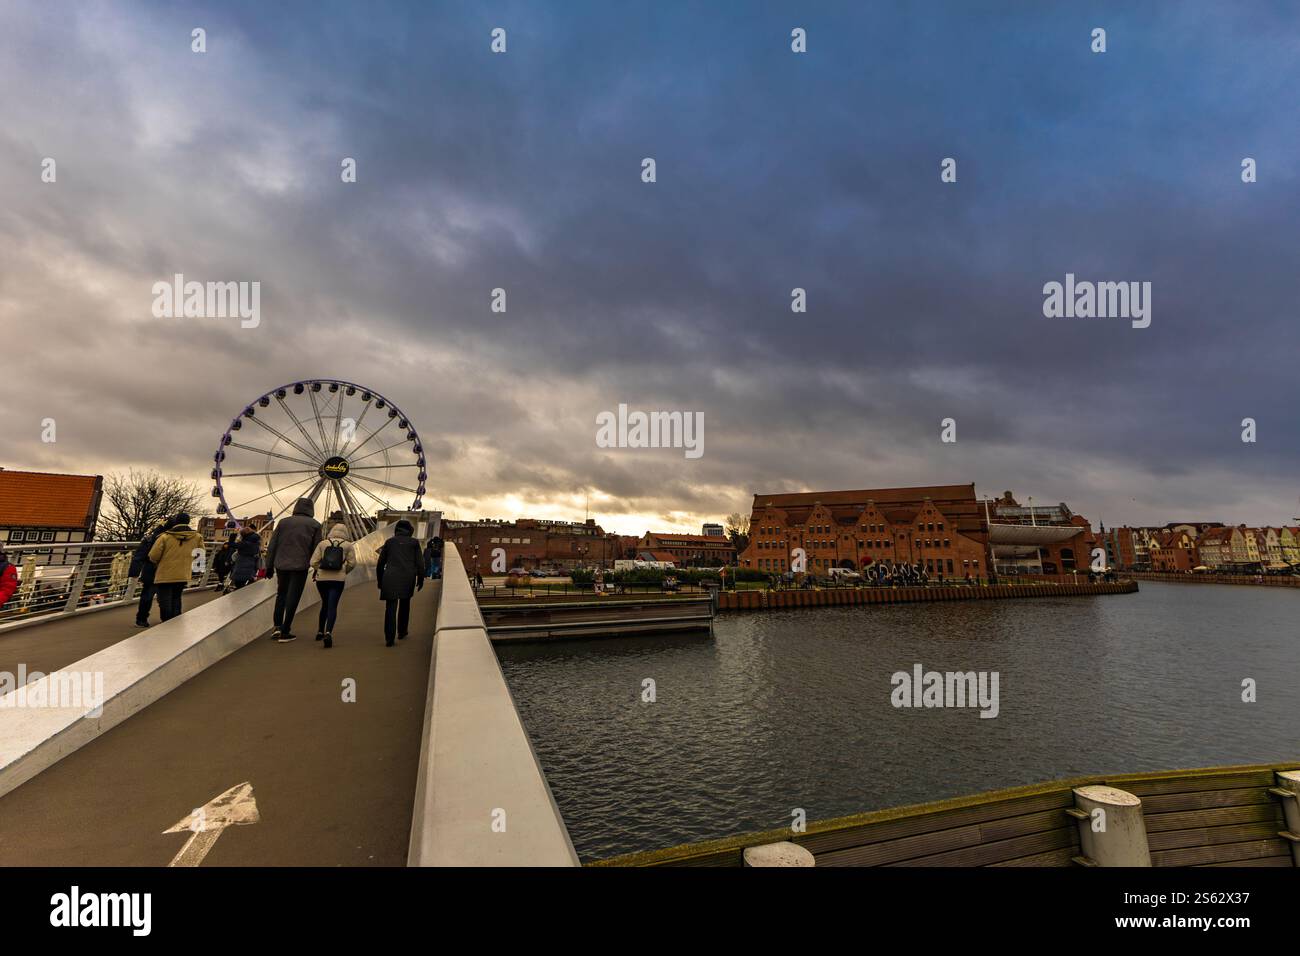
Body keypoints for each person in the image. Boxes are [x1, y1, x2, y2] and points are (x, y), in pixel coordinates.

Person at [264, 498, 322, 643]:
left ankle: (277, 626)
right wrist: (316, 568)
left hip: (281, 565)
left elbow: (272, 545)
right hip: (300, 566)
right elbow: (316, 550)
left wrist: (269, 566)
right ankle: (285, 630)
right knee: (293, 597)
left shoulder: (283, 522)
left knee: (281, 595)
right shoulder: (315, 525)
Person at [147, 513, 205, 622]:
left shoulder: (165, 536)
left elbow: (153, 556)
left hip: (165, 574)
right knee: (176, 597)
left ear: (176, 522)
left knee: (164, 599)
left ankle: (167, 620)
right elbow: (200, 554)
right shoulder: (197, 537)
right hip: (183, 573)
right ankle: (176, 620)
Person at [376, 519, 424, 647]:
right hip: (408, 577)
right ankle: (402, 631)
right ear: (410, 531)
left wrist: (380, 581)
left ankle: (389, 638)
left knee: (390, 608)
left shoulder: (389, 542)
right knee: (405, 603)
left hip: (390, 577)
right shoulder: (414, 543)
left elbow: (380, 563)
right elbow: (420, 562)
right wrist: (421, 578)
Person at [310, 523, 355, 649]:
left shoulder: (323, 544)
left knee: (324, 603)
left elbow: (313, 562)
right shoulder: (348, 545)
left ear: (332, 531)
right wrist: (343, 571)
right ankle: (328, 632)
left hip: (322, 579)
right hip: (338, 580)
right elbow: (353, 563)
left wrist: (320, 569)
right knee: (332, 605)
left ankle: (319, 631)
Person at [129, 516, 176, 627]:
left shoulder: (150, 538)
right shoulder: (173, 539)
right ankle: (167, 618)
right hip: (167, 571)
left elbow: (139, 556)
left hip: (150, 571)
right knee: (166, 596)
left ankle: (141, 619)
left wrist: (134, 573)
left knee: (147, 596)